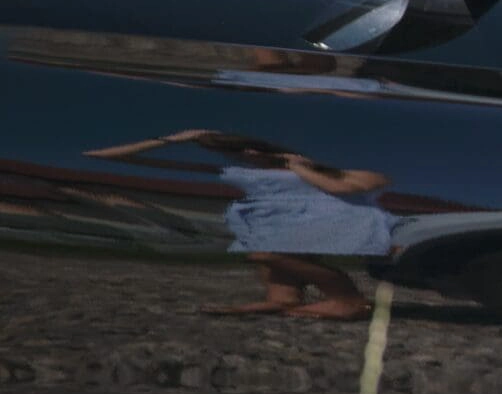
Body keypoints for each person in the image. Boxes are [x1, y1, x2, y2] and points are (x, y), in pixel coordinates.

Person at [88, 127, 389, 319]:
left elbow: (344, 190)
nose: (249, 154)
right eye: (239, 151)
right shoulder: (237, 172)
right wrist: (176, 138)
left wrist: (298, 166)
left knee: (266, 254)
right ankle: (283, 300)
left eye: (255, 148)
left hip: (326, 224)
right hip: (277, 227)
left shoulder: (314, 169)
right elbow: (104, 157)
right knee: (267, 256)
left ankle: (349, 300)